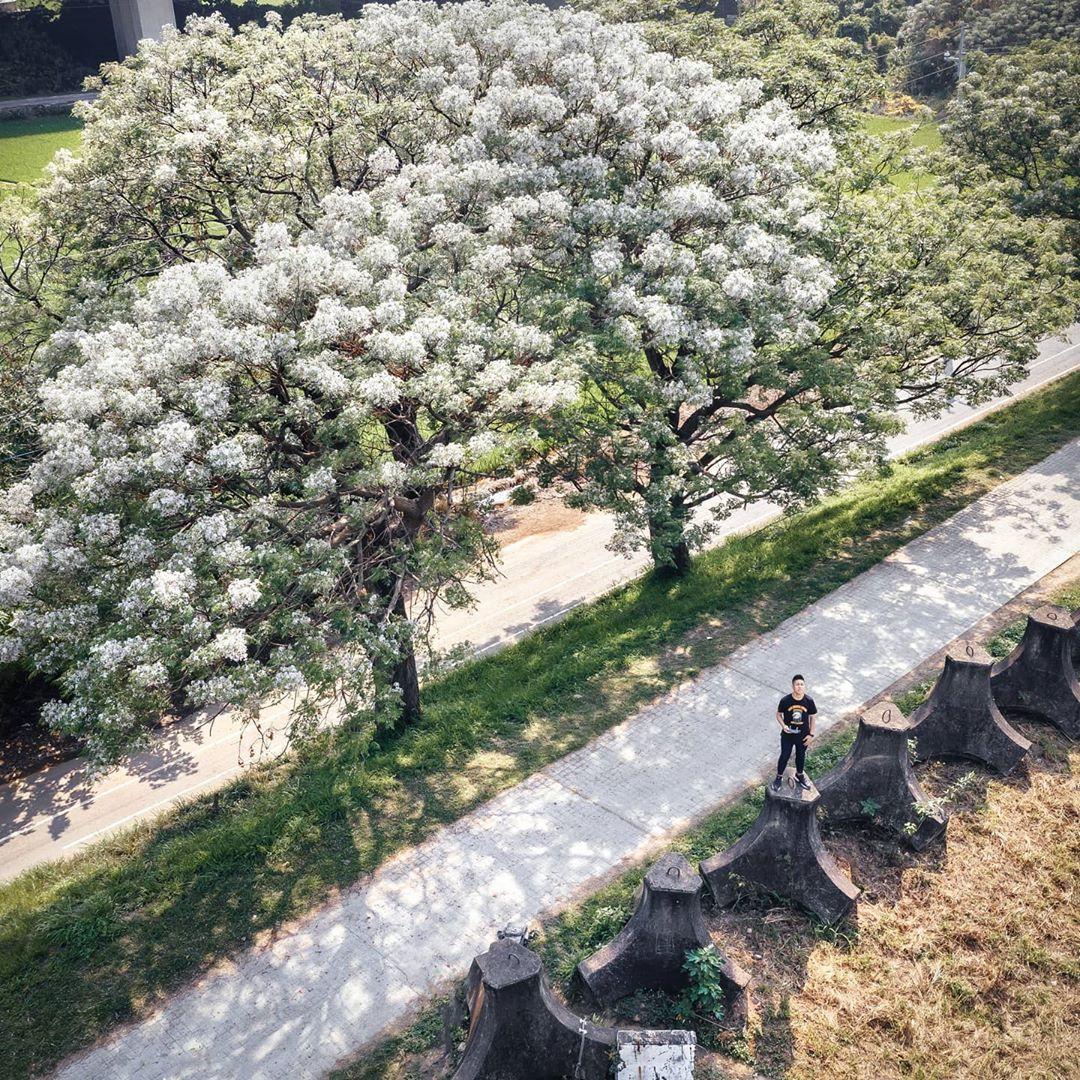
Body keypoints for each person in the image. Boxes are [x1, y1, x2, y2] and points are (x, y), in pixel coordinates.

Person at [772, 674, 817, 792]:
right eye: (797, 684)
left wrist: (811, 735)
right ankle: (779, 777)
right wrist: (784, 726)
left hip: (803, 736)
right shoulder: (785, 700)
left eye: (802, 684)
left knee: (801, 756)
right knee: (784, 755)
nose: (799, 687)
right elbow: (778, 714)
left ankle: (799, 775)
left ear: (804, 686)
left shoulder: (809, 701)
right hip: (788, 735)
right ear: (793, 686)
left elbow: (813, 718)